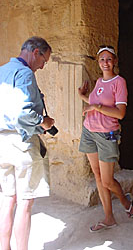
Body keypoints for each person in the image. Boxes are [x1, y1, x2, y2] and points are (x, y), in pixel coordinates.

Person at [0, 36, 55, 250]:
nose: (42, 66)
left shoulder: (2, 70)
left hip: (2, 143)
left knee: (7, 199)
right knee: (25, 203)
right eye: (44, 60)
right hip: (20, 144)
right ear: (35, 52)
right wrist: (44, 122)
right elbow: (24, 113)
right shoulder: (25, 74)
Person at [78, 45, 133, 233]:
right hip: (89, 131)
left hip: (106, 135)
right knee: (97, 175)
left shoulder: (119, 82)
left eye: (109, 59)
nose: (106, 62)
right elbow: (96, 103)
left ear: (115, 61)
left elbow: (120, 113)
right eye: (102, 59)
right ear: (98, 62)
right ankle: (108, 217)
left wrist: (95, 108)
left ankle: (125, 201)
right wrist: (84, 97)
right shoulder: (98, 81)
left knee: (107, 181)